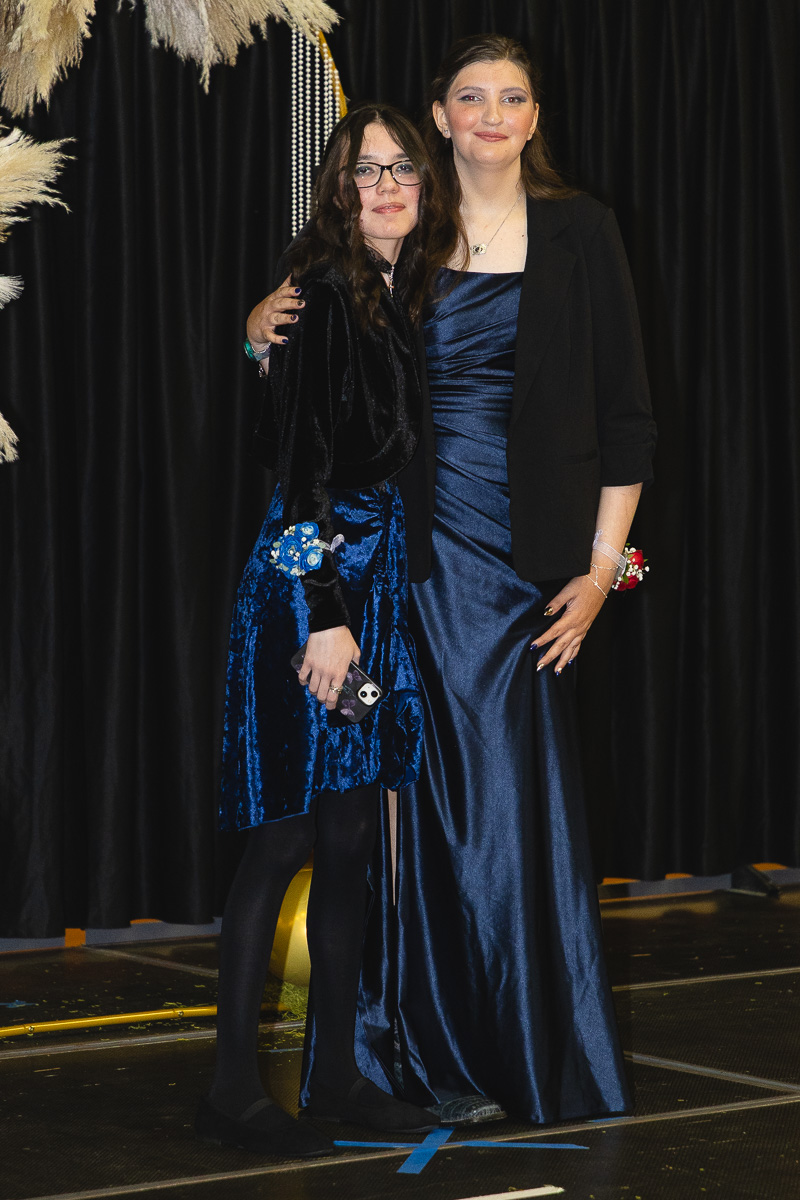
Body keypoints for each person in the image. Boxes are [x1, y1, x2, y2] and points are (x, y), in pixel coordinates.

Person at [247, 35, 656, 1126]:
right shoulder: (402, 234)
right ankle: (391, 1057)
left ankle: (526, 1047)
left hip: (528, 572)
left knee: (513, 811)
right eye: (468, 95)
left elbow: (626, 419)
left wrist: (603, 572)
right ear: (437, 114)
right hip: (402, 574)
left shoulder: (581, 232)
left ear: (532, 116)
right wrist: (257, 334)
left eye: (510, 96)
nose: (489, 112)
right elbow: (316, 378)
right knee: (397, 815)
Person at [196, 102, 445, 1160]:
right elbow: (294, 474)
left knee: (348, 835)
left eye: (401, 169)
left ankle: (334, 1074)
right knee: (287, 836)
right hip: (316, 593)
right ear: (336, 189)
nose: (384, 186)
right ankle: (228, 1092)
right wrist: (324, 622)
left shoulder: (394, 294)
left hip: (374, 594)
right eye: (363, 171)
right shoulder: (321, 296)